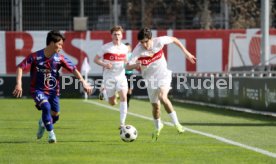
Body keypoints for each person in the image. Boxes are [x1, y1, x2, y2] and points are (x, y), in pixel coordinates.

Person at [12, 30, 93, 143]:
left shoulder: (60, 58)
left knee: (55, 115)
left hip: (53, 91)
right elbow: (20, 67)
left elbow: (73, 69)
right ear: (51, 43)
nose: (61, 47)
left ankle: (42, 123)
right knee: (46, 107)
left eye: (61, 45)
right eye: (59, 44)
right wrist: (19, 83)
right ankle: (51, 135)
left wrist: (83, 82)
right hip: (38, 90)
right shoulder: (35, 56)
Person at [126, 27, 196, 141]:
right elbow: (127, 66)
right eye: (141, 42)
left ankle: (177, 124)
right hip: (150, 80)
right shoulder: (137, 50)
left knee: (163, 97)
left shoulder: (159, 41)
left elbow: (174, 39)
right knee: (156, 107)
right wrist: (136, 64)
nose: (144, 44)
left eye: (146, 41)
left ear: (151, 38)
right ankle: (158, 126)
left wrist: (187, 53)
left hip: (163, 75)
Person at [94, 25, 129, 128]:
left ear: (122, 35)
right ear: (111, 35)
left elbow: (126, 62)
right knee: (112, 102)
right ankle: (104, 93)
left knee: (124, 96)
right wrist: (105, 65)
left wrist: (131, 65)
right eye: (115, 34)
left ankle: (122, 123)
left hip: (121, 77)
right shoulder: (105, 47)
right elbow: (95, 60)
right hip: (109, 78)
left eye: (118, 34)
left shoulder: (125, 48)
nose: (117, 36)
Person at [124, 43, 135, 108]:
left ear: (130, 49)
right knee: (123, 88)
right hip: (123, 74)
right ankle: (124, 101)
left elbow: (134, 62)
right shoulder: (122, 55)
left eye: (128, 48)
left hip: (130, 74)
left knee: (130, 89)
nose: (127, 49)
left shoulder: (132, 55)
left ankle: (127, 102)